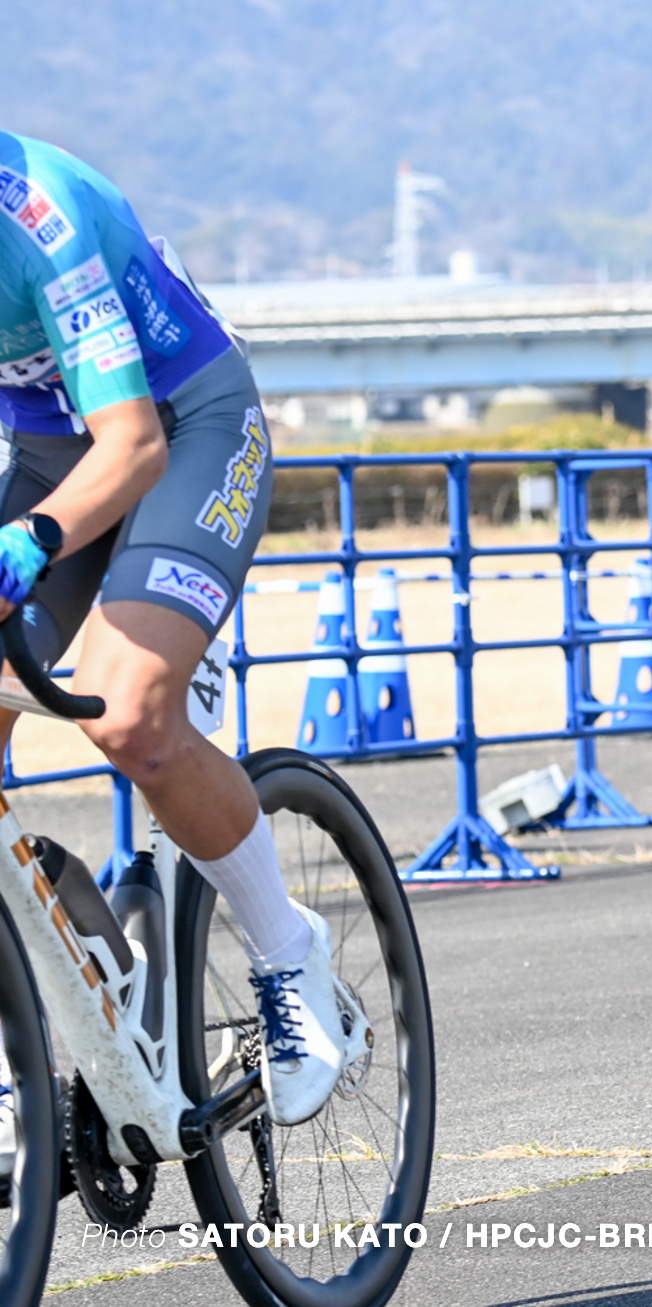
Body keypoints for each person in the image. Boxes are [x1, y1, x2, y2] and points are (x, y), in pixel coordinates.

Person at [0, 134, 359, 1130]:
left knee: (128, 717)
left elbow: (131, 445)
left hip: (183, 427)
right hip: (45, 450)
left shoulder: (39, 212)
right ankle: (59, 997)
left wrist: (28, 544)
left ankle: (290, 956)